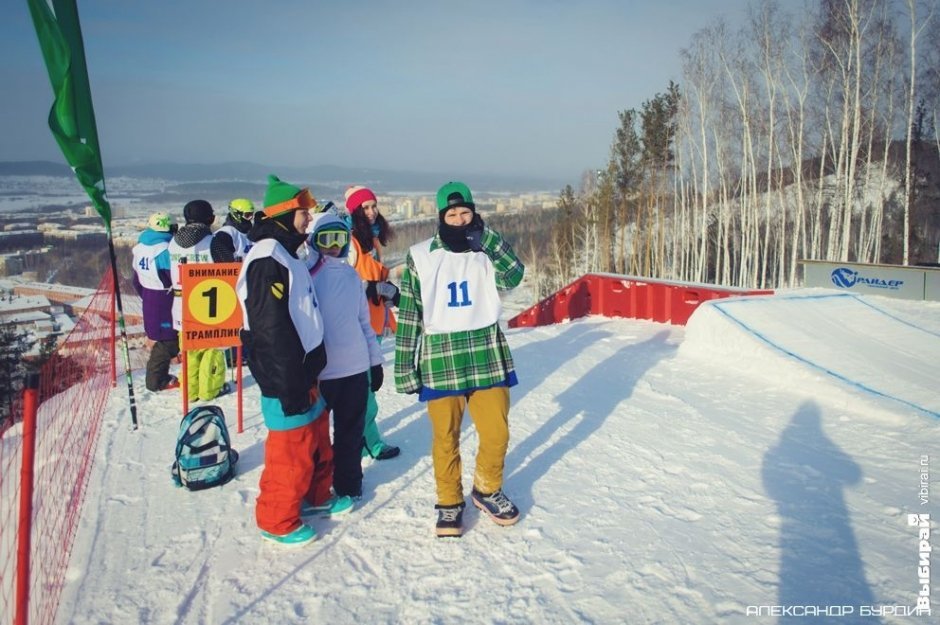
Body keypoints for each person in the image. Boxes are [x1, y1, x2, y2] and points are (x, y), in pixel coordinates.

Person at [394, 181, 525, 538]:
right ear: (441, 216)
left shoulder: (486, 249)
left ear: (474, 212)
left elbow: (515, 275)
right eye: (451, 213)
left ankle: (487, 489)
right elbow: (410, 314)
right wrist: (405, 368)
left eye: (464, 211)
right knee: (446, 437)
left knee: (496, 432)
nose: (458, 218)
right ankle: (449, 502)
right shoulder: (421, 255)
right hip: (441, 357)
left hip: (486, 351)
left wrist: (491, 241)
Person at [235, 174, 331, 545]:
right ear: (283, 214)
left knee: (313, 440)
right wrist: (288, 380)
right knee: (289, 450)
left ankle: (313, 498)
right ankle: (277, 519)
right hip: (285, 374)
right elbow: (268, 327)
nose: (309, 218)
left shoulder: (287, 251)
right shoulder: (267, 257)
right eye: (303, 212)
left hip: (303, 369)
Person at [307, 211, 385, 503]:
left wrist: (374, 362)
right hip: (322, 371)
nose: (333, 246)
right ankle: (317, 486)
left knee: (350, 433)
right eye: (326, 238)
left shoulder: (353, 276)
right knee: (317, 435)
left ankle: (349, 482)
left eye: (339, 238)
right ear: (314, 241)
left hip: (354, 368)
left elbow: (365, 323)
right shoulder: (306, 274)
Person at [344, 185, 400, 461]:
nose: (371, 211)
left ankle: (364, 437)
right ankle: (371, 441)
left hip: (373, 323)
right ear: (354, 212)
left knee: (366, 385)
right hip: (358, 324)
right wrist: (376, 289)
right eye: (364, 207)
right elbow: (345, 282)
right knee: (365, 387)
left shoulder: (372, 240)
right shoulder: (351, 242)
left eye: (373, 205)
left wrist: (387, 299)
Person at [167, 199, 228, 402]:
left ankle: (189, 392)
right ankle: (209, 390)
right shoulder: (213, 242)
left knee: (190, 351)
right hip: (209, 305)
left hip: (180, 304)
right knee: (212, 349)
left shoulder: (173, 242)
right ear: (210, 218)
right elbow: (230, 269)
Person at [131, 212, 180, 392]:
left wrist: (147, 296)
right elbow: (174, 278)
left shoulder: (140, 248)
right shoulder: (165, 250)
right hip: (165, 301)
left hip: (150, 298)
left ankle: (159, 378)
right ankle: (157, 381)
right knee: (168, 342)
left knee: (164, 340)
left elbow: (135, 280)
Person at [211, 198, 255, 263]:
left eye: (252, 214)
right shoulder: (225, 234)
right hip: (236, 271)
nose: (251, 218)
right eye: (247, 215)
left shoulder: (252, 232)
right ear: (237, 215)